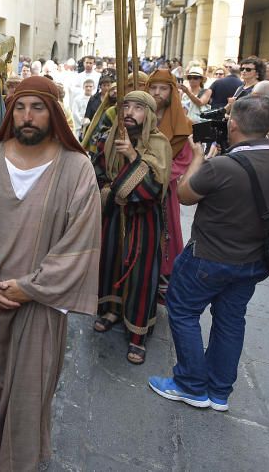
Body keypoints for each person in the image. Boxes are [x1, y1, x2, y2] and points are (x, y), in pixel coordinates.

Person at [0, 77, 100, 471]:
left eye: (37, 107)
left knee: (26, 399)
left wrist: (30, 289)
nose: (27, 117)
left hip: (38, 308)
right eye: (20, 107)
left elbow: (79, 243)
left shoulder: (77, 168)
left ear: (53, 113)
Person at [149, 97, 269, 410]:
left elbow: (185, 194)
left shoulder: (222, 166)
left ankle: (190, 384)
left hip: (209, 257)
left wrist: (198, 158)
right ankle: (218, 391)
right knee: (230, 321)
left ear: (233, 125)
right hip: (254, 260)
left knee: (184, 311)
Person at [91, 91, 171, 365]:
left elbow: (153, 188)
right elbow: (98, 174)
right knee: (110, 262)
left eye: (138, 107)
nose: (130, 112)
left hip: (143, 219)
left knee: (140, 272)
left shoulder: (159, 144)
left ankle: (137, 332)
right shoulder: (107, 138)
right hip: (114, 215)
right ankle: (111, 309)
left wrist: (134, 156)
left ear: (148, 114)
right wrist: (110, 191)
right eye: (126, 105)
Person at [146, 69, 194, 289]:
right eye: (153, 87)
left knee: (166, 232)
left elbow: (183, 159)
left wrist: (157, 176)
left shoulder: (183, 123)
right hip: (135, 185)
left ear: (172, 91)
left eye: (163, 88)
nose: (157, 93)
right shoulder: (138, 114)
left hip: (165, 188)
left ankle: (164, 275)